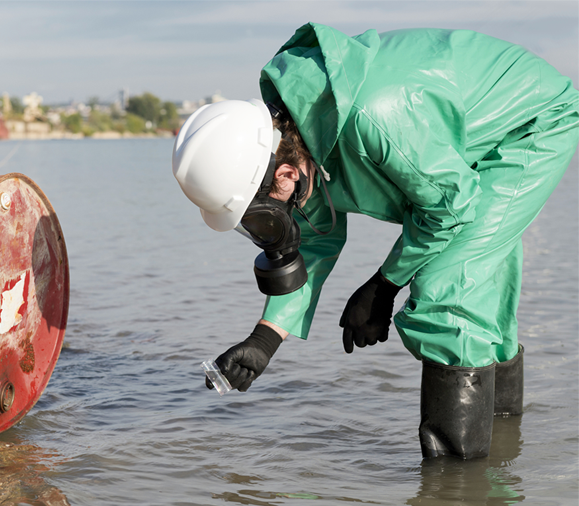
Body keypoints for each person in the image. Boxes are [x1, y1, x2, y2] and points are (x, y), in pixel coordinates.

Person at [171, 23, 579, 459]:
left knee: (448, 291)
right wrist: (264, 340)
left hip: (531, 122)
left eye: (260, 216)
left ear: (285, 175)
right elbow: (314, 241)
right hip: (457, 142)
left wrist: (384, 285)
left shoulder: (375, 118)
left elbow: (447, 208)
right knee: (480, 287)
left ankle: (455, 492)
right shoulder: (298, 141)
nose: (265, 228)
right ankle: (498, 461)